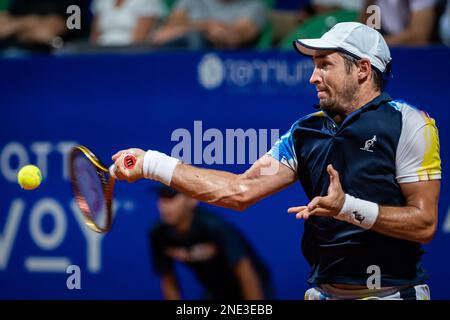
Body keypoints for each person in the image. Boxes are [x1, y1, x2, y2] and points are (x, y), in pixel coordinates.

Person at [111, 22, 441, 300]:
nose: (313, 77)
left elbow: (424, 223)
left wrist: (348, 207)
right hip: (322, 293)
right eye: (314, 66)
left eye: (325, 65)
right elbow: (240, 190)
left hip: (393, 294)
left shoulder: (411, 124)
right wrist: (150, 164)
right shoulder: (304, 132)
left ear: (363, 69)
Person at [149, 185, 274, 300]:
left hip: (254, 286)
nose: (163, 204)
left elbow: (245, 271)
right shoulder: (158, 234)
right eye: (161, 197)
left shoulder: (214, 226)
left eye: (171, 197)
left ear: (192, 200)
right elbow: (167, 279)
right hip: (216, 291)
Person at [151, 0, 266, 49]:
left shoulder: (254, 7)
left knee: (195, 39)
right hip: (173, 62)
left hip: (220, 65)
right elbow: (165, 32)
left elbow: (233, 38)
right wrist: (206, 27)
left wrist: (183, 29)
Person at [359, 0, 438, 46]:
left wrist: (375, 43)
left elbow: (419, 37)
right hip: (388, 41)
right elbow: (366, 28)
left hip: (424, 54)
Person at [90, 0, 167, 46]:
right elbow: (95, 36)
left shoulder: (148, 1)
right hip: (101, 53)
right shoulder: (101, 1)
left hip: (131, 55)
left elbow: (138, 41)